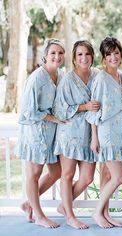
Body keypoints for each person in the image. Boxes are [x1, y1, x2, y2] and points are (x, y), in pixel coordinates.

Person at [16, 39, 65, 228]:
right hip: (35, 132)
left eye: (60, 53)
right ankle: (39, 215)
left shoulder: (60, 75)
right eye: (53, 53)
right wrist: (53, 118)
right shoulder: (37, 78)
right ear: (45, 55)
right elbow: (28, 111)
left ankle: (29, 204)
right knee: (34, 174)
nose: (57, 56)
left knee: (56, 171)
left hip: (52, 134)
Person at [52, 40, 100, 229]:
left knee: (87, 177)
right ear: (74, 57)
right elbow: (59, 109)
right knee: (67, 174)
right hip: (70, 133)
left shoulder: (97, 76)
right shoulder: (67, 80)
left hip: (89, 134)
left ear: (92, 56)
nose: (84, 58)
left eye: (87, 54)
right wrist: (85, 107)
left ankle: (64, 205)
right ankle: (70, 216)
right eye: (80, 54)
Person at [85, 36, 122, 229]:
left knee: (108, 176)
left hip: (119, 132)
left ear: (121, 54)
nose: (113, 57)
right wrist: (94, 137)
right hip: (106, 132)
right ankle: (96, 212)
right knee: (119, 177)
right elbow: (94, 109)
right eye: (109, 54)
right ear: (103, 57)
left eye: (116, 53)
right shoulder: (101, 78)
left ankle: (105, 214)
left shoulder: (121, 76)